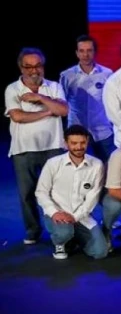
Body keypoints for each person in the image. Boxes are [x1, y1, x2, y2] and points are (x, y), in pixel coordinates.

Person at [5, 47, 68, 244]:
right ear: (21, 68)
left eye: (38, 65)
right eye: (29, 66)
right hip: (23, 149)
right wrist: (48, 111)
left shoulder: (54, 86)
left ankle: (62, 230)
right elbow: (18, 116)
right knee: (27, 194)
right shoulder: (12, 89)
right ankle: (33, 231)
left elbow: (63, 110)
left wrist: (41, 98)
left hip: (54, 147)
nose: (34, 71)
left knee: (58, 192)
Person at [34, 125, 107, 260]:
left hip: (81, 216)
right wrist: (54, 212)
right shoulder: (53, 163)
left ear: (87, 141)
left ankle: (74, 238)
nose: (78, 147)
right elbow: (41, 192)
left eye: (82, 143)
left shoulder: (97, 165)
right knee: (64, 233)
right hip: (57, 214)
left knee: (100, 252)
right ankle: (61, 243)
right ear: (65, 143)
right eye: (74, 143)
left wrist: (75, 217)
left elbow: (93, 196)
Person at [59, 35, 115, 162]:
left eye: (89, 50)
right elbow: (62, 104)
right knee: (77, 167)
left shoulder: (107, 74)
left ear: (94, 52)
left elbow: (113, 101)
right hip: (77, 130)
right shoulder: (67, 75)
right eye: (82, 51)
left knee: (110, 167)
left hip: (103, 130)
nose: (86, 55)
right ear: (76, 53)